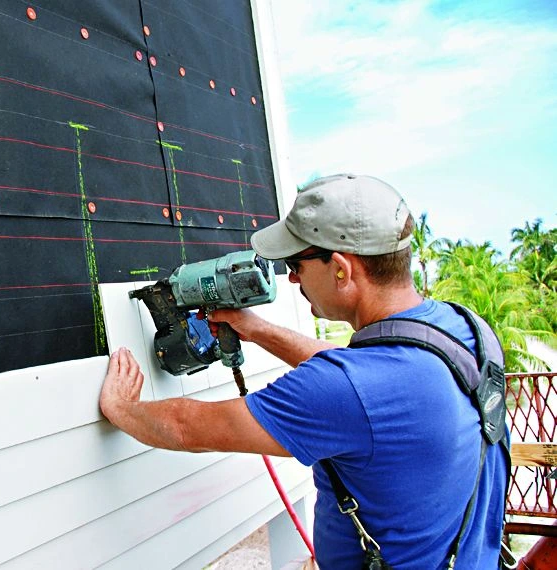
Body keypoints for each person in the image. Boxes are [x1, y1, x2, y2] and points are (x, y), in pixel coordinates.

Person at [99, 174, 508, 569]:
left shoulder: (348, 388)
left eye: (296, 263)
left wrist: (121, 408)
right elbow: (363, 381)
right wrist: (257, 330)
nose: (292, 277)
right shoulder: (464, 329)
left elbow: (191, 427)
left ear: (342, 270)